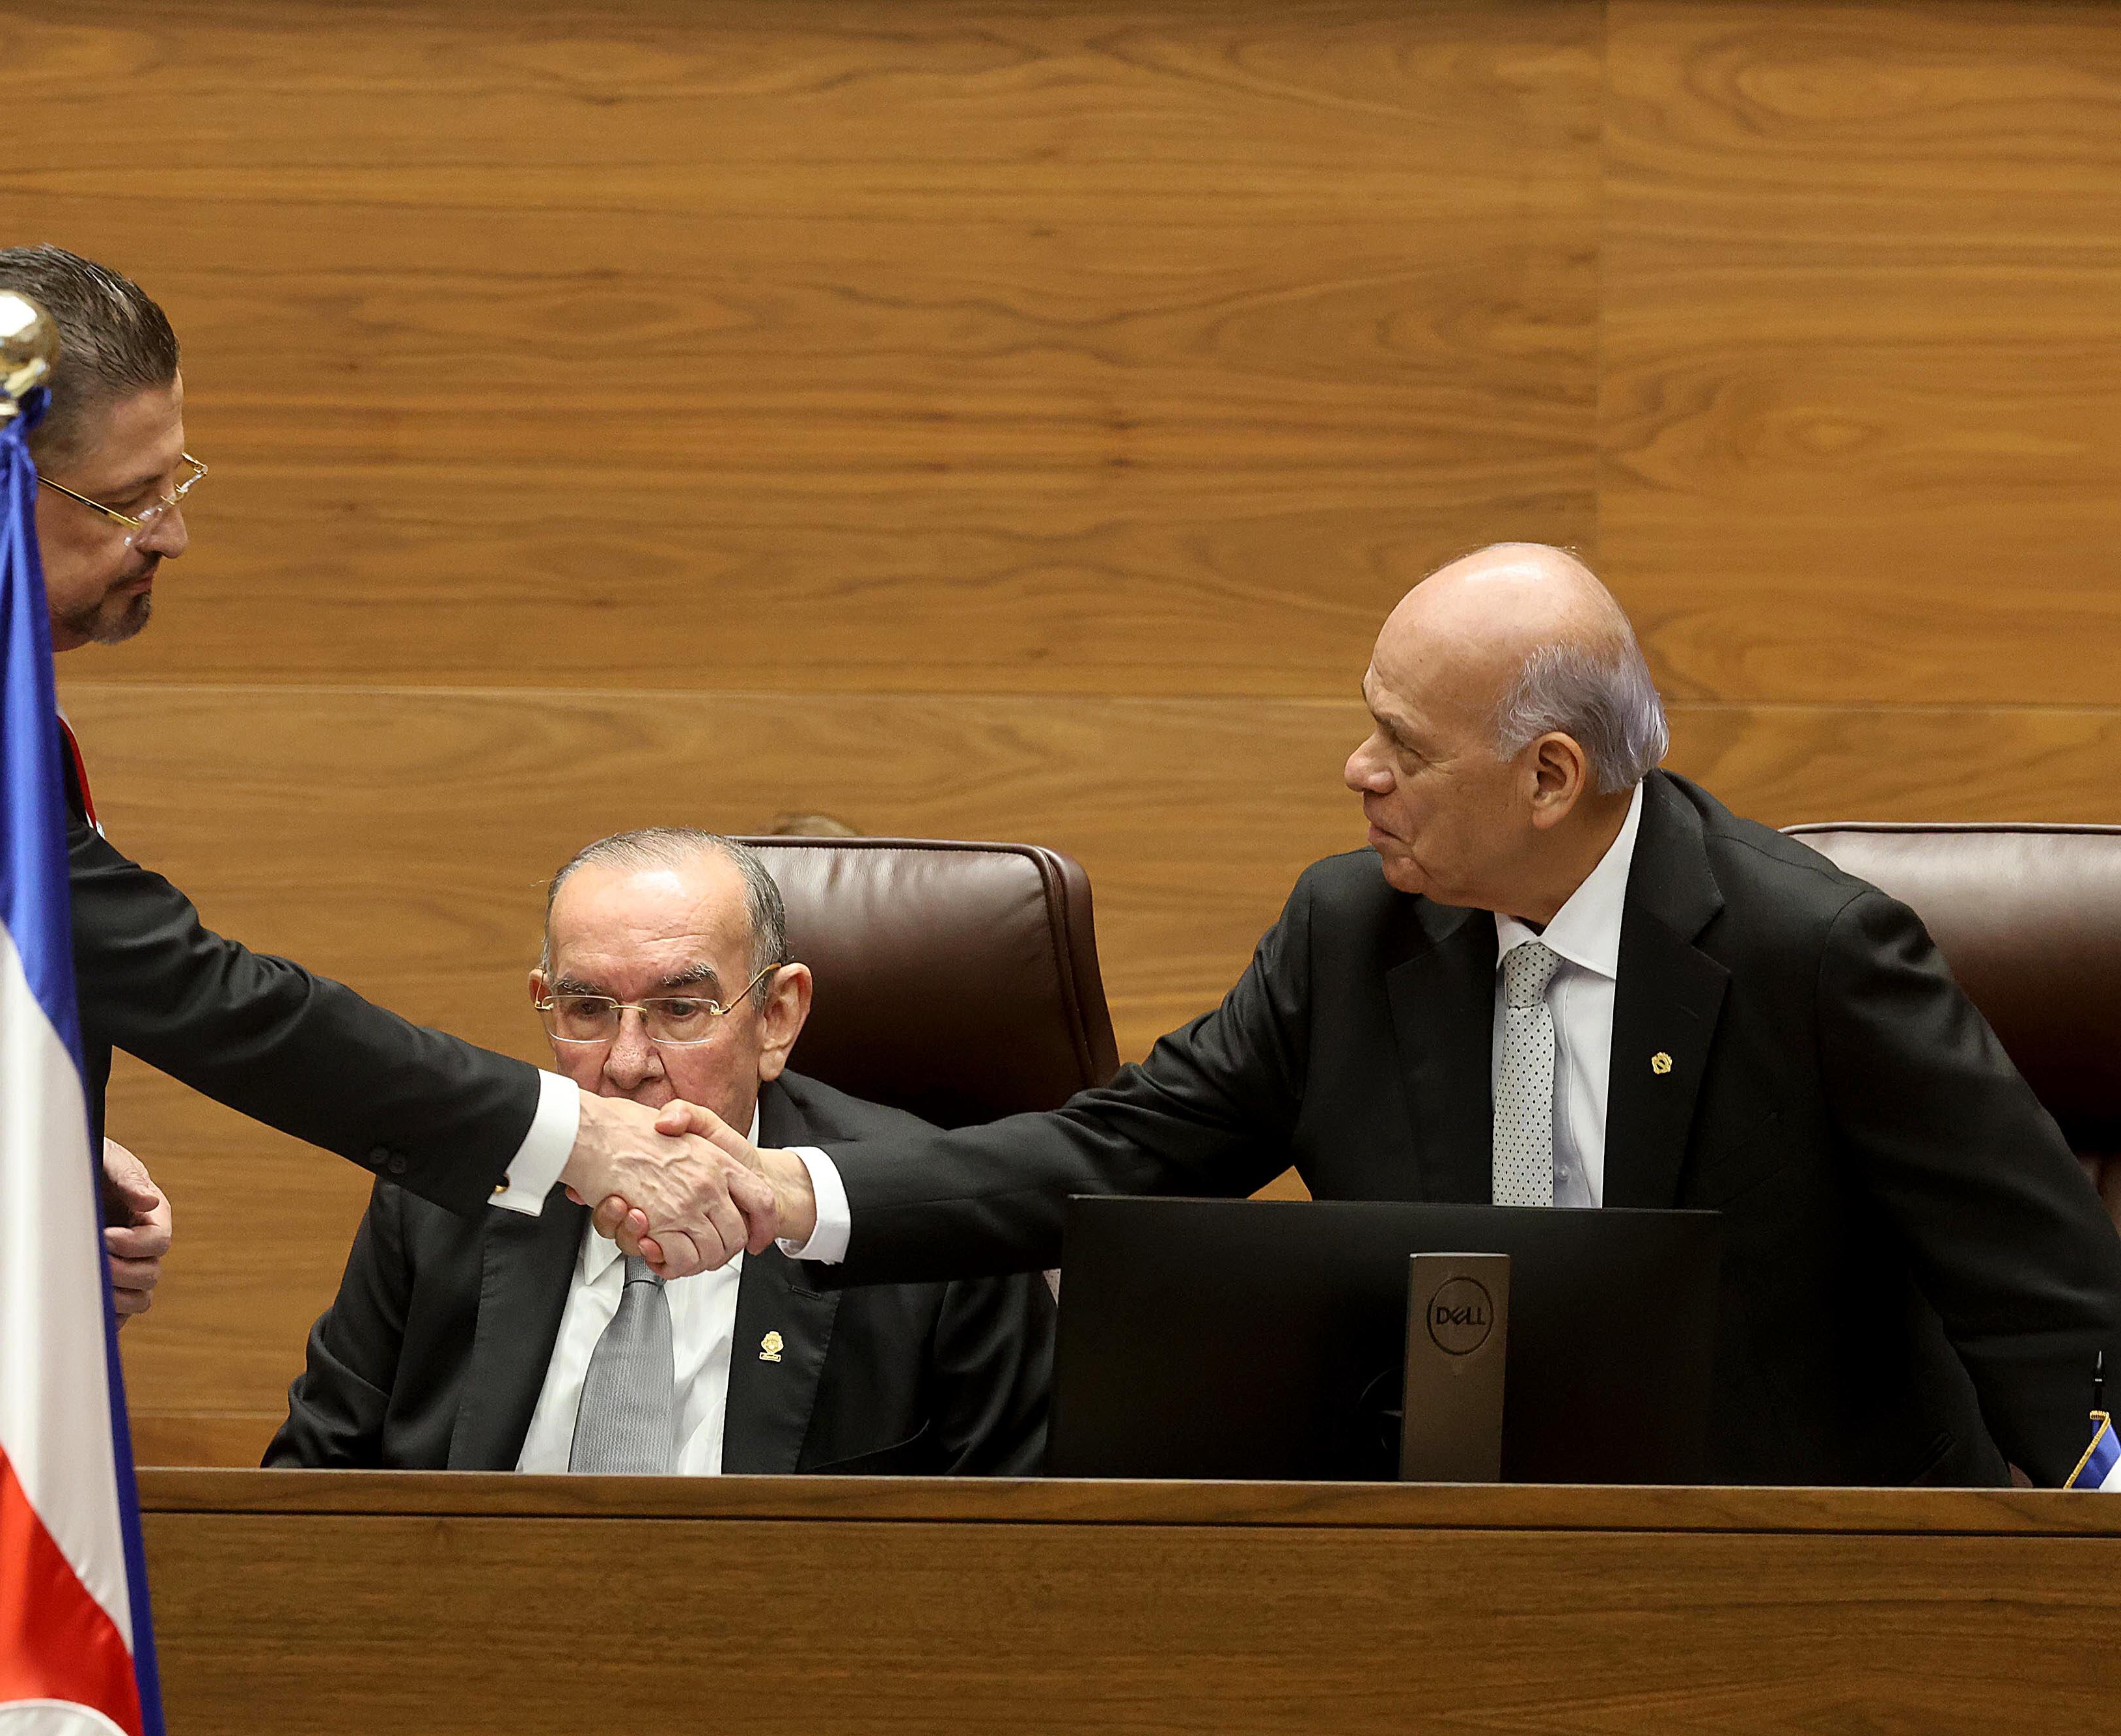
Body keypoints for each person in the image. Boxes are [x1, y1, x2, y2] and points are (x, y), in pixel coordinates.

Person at [0, 247, 766, 1461]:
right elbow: (199, 992)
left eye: (179, 481)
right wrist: (569, 1137)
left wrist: (37, 1127)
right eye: (130, 500)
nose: (170, 535)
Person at [635, 544, 2121, 1487]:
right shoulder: (1349, 935)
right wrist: (789, 1188)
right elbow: (1126, 1150)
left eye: (1401, 746)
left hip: (1788, 1565)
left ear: (1548, 779)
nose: (1357, 769)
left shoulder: (1811, 952)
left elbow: (2038, 1292)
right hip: (1448, 1561)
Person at [266, 829, 1054, 1474]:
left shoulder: (929, 1225)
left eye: (680, 1009)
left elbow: (1029, 1550)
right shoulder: (450, 1193)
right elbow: (308, 1491)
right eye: (586, 1009)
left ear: (777, 1017)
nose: (626, 1062)